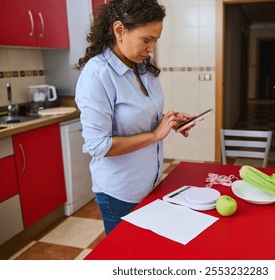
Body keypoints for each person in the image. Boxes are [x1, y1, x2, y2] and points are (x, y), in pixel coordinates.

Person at [75, 0, 194, 235]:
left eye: (155, 41)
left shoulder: (142, 67)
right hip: (121, 192)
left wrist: (169, 121)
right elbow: (99, 146)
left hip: (151, 183)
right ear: (119, 30)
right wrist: (154, 135)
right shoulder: (97, 75)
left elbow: (141, 116)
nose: (151, 48)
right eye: (146, 39)